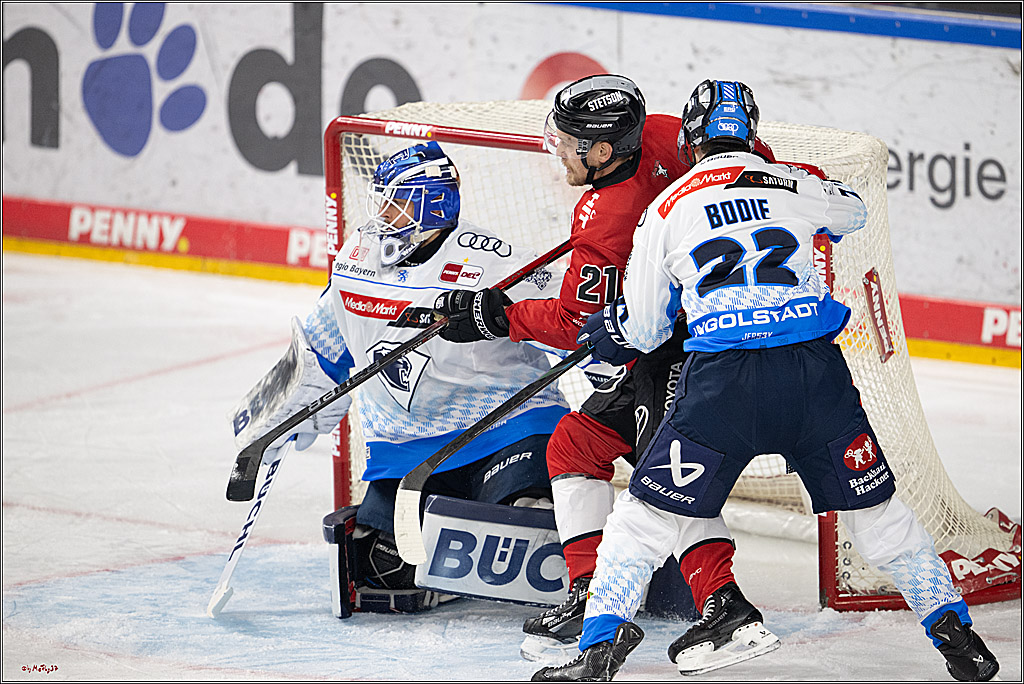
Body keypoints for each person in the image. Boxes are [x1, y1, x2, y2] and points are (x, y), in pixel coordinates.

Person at [533, 79, 999, 682]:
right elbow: (853, 212)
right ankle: (959, 638)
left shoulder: (665, 209)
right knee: (880, 519)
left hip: (723, 388)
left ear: (689, 142)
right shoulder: (796, 185)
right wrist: (796, 189)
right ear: (753, 134)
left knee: (641, 521)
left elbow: (645, 331)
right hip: (816, 380)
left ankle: (598, 651)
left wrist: (614, 328)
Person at [434, 74, 779, 663]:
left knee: (665, 474)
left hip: (692, 348)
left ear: (600, 151)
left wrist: (497, 316)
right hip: (683, 337)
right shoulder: (666, 134)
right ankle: (589, 593)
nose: (559, 151)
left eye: (569, 143)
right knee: (576, 443)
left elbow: (575, 323)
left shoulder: (606, 216)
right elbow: (755, 160)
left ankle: (727, 608)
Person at [229, 141, 568, 604]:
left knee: (532, 524)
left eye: (398, 203)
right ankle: (449, 568)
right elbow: (322, 348)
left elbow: (572, 324)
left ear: (435, 205)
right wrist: (273, 418)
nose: (384, 216)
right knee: (381, 568)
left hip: (506, 432)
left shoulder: (498, 262)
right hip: (407, 449)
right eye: (382, 203)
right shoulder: (359, 259)